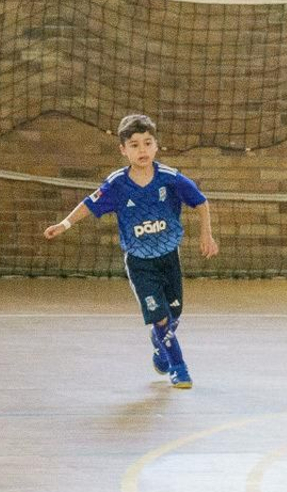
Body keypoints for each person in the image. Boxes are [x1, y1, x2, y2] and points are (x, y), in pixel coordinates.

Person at [43, 113, 218, 388]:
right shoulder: (117, 184)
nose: (142, 150)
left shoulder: (170, 179)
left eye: (148, 143)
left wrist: (206, 234)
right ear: (123, 150)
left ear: (156, 146)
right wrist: (64, 224)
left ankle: (161, 347)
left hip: (169, 257)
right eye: (134, 145)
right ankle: (179, 366)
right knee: (159, 316)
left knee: (174, 314)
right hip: (140, 263)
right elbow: (89, 204)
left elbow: (201, 202)